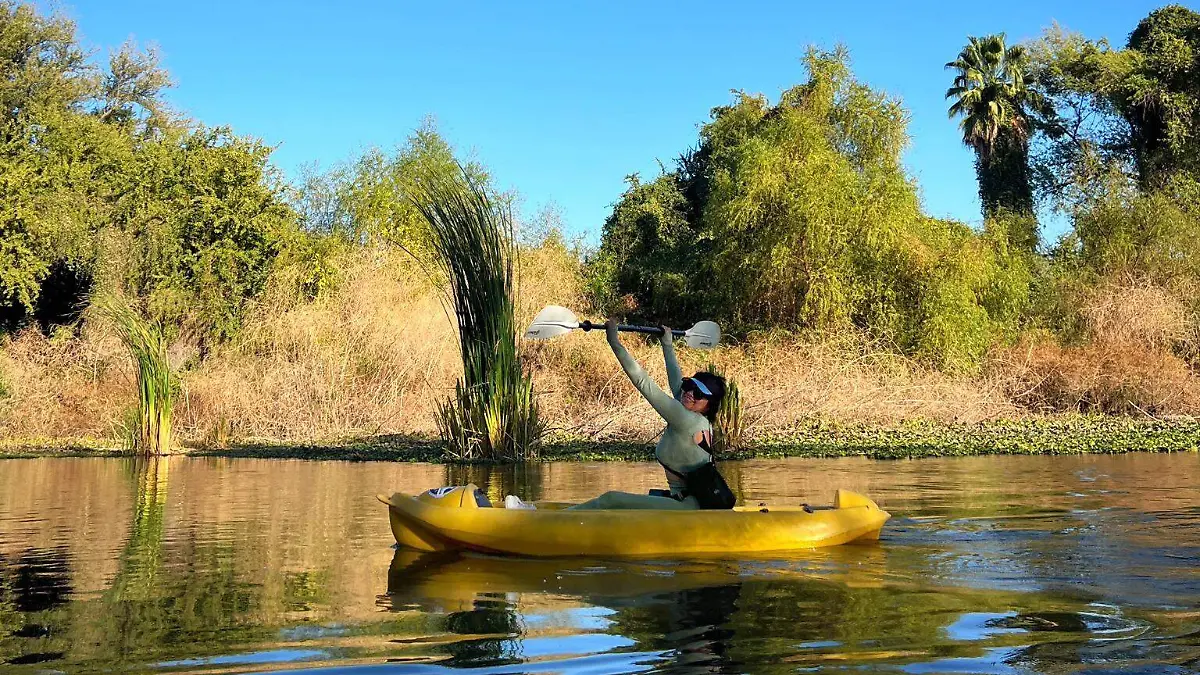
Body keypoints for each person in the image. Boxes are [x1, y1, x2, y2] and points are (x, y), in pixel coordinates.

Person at [569, 318, 730, 510]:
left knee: (610, 500)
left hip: (689, 507)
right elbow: (677, 381)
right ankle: (562, 515)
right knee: (611, 501)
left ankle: (555, 522)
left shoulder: (686, 419)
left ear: (708, 405)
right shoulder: (695, 415)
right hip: (686, 501)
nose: (690, 393)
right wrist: (667, 343)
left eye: (699, 393)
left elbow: (643, 383)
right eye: (690, 386)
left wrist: (614, 341)